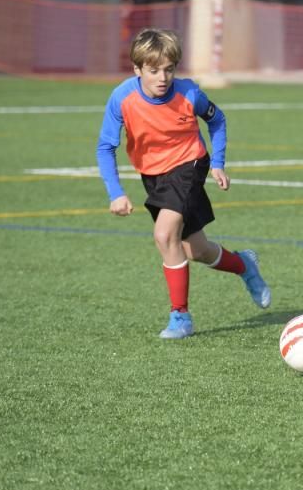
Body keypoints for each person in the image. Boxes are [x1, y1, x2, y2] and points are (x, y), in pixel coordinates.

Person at [96, 28, 271, 340]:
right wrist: (116, 193)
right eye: (153, 70)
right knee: (196, 250)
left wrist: (217, 163)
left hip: (189, 164)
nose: (162, 78)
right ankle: (244, 265)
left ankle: (180, 316)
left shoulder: (189, 94)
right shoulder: (122, 97)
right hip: (153, 175)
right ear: (137, 69)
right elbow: (105, 147)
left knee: (164, 236)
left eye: (169, 69)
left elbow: (217, 120)